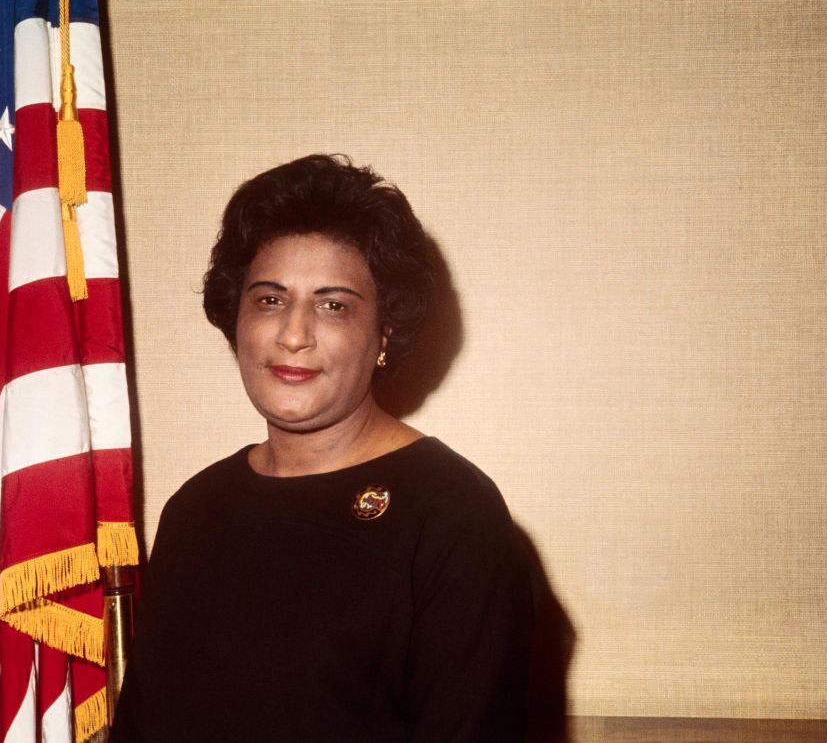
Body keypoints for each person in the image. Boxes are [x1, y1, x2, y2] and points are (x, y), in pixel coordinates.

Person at [111, 154, 534, 742]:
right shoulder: (196, 509)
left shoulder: (453, 515)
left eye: (333, 305)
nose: (293, 334)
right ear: (235, 318)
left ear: (385, 332)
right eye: (269, 299)